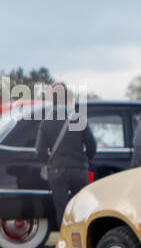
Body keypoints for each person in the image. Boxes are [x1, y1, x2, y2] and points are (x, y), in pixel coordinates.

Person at [35, 82, 96, 225]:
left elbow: (39, 151)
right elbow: (92, 146)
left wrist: (50, 162)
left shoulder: (46, 122)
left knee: (61, 209)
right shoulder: (79, 119)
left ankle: (65, 240)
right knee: (80, 208)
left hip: (57, 170)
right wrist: (85, 160)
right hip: (78, 169)